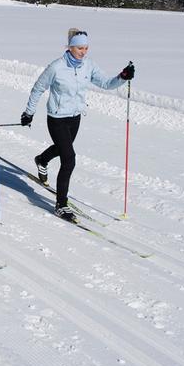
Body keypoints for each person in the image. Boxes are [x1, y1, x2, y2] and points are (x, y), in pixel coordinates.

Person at [20, 28, 134, 222]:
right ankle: (61, 205)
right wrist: (29, 113)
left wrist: (122, 77)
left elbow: (106, 83)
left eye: (86, 48)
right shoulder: (56, 67)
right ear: (70, 47)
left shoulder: (89, 66)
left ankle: (42, 159)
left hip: (75, 117)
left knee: (62, 149)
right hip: (56, 118)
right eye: (80, 48)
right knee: (69, 159)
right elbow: (38, 88)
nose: (84, 52)